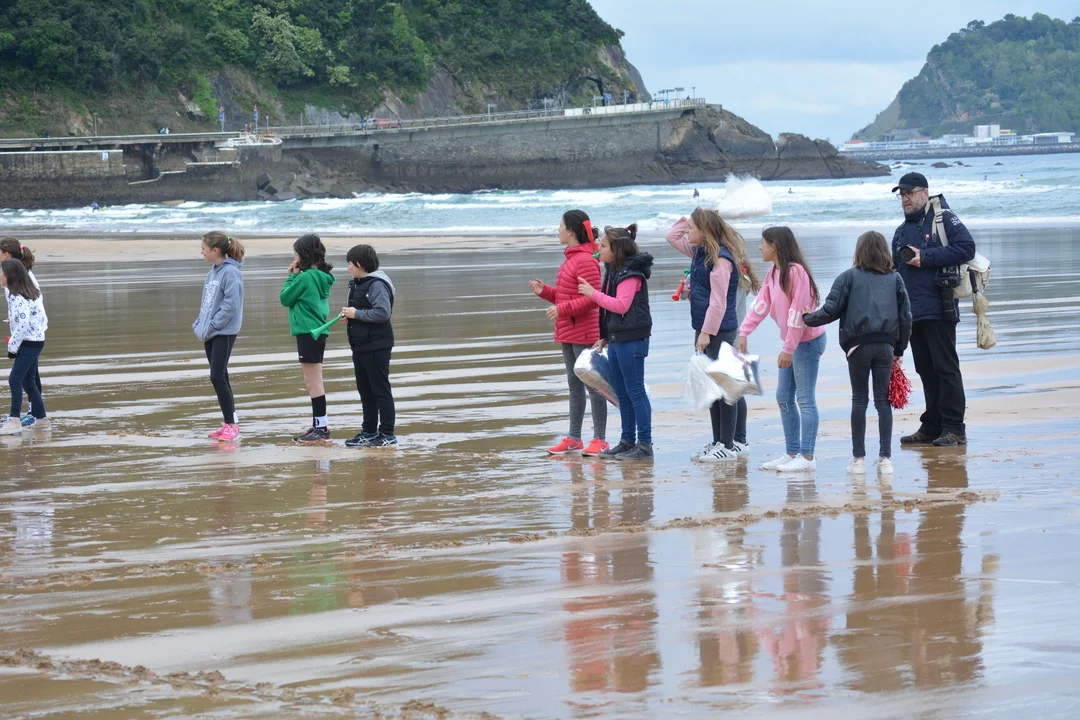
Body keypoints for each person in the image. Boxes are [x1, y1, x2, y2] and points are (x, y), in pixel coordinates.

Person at [804, 231, 912, 475]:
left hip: (858, 346)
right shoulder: (895, 278)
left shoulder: (848, 277)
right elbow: (906, 316)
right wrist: (899, 348)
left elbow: (830, 310)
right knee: (883, 402)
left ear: (859, 251)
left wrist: (806, 318)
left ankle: (859, 459)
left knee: (859, 400)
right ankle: (885, 459)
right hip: (885, 345)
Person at [666, 209, 758, 462]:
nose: (687, 232)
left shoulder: (721, 261)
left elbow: (718, 303)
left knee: (725, 387)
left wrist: (706, 332)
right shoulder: (700, 252)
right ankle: (719, 441)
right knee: (712, 387)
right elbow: (671, 236)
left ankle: (728, 445)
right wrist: (689, 218)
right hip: (704, 327)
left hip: (719, 330)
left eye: (692, 228)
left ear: (705, 231)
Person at [891, 172, 975, 447]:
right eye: (902, 194)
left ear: (925, 192)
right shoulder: (900, 231)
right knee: (925, 370)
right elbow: (895, 271)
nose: (905, 199)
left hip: (940, 306)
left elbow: (967, 248)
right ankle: (932, 425)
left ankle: (955, 428)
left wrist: (924, 257)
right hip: (912, 312)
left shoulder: (944, 218)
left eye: (910, 193)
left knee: (946, 369)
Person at [736, 227, 826, 473]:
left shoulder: (796, 272)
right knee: (783, 397)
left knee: (804, 398)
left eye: (762, 243)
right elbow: (761, 304)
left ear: (774, 245)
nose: (759, 247)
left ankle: (807, 457)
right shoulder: (774, 271)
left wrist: (788, 349)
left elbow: (798, 315)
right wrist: (744, 332)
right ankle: (792, 453)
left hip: (806, 342)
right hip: (792, 343)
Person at [530, 210, 608, 456]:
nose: (558, 229)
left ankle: (600, 439)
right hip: (567, 330)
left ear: (571, 231)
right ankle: (574, 438)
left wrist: (562, 309)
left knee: (593, 386)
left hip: (584, 332)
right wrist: (545, 292)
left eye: (561, 225)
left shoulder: (586, 260)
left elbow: (593, 298)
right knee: (575, 386)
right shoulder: (571, 258)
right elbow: (566, 297)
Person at [577, 224, 654, 461]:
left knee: (635, 391)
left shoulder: (631, 273)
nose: (598, 249)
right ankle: (627, 441)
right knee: (622, 392)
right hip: (617, 337)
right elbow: (609, 311)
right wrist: (604, 336)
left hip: (633, 338)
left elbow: (621, 305)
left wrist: (592, 293)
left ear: (617, 249)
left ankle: (645, 444)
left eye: (602, 246)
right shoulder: (614, 269)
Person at [341, 244, 398, 448]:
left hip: (377, 345)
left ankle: (387, 434)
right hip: (360, 345)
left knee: (380, 390)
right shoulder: (359, 283)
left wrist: (356, 314)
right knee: (365, 391)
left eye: (350, 263)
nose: (348, 267)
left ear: (359, 264)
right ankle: (368, 432)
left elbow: (382, 313)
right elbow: (366, 311)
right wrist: (351, 317)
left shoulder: (376, 284)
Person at [280, 233, 336, 443]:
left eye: (296, 254)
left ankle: (321, 428)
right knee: (314, 380)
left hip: (308, 332)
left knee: (312, 382)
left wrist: (292, 276)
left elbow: (285, 298)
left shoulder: (305, 278)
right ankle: (318, 425)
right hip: (317, 331)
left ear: (303, 255)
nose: (294, 258)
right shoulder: (321, 276)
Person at [192, 232, 245, 441]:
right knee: (221, 376)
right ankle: (229, 422)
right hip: (210, 332)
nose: (201, 252)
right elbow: (207, 304)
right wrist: (200, 324)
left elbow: (231, 305)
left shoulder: (231, 272)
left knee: (216, 377)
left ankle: (232, 425)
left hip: (224, 331)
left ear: (215, 250)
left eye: (203, 248)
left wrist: (213, 325)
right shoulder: (212, 273)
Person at [1, 259, 48, 434]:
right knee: (28, 381)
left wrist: (12, 348)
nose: (0, 276)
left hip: (29, 343)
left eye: (2, 273)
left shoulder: (18, 297)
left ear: (10, 276)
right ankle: (42, 419)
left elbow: (22, 325)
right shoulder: (27, 293)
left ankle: (14, 420)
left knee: (14, 379)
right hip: (35, 341)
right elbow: (36, 318)